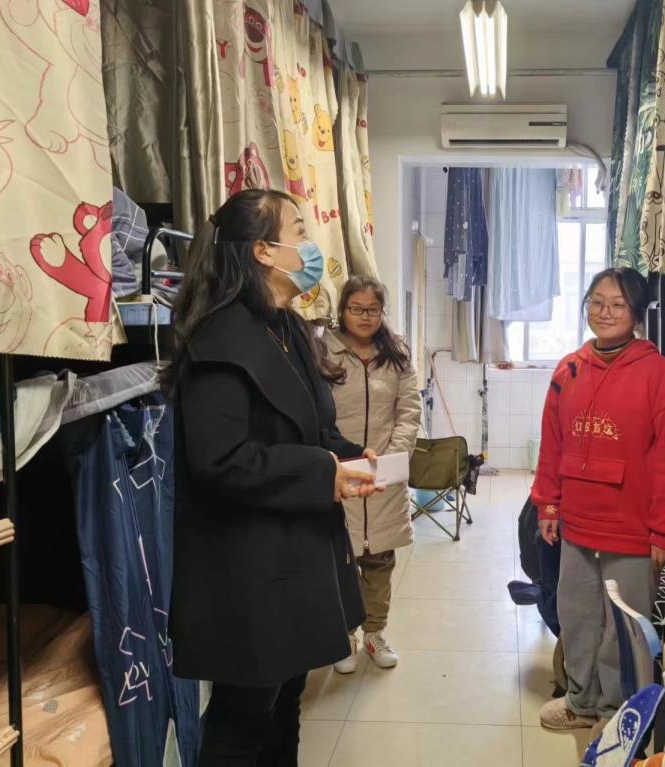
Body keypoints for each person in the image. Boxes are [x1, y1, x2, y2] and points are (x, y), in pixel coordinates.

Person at [163, 189, 380, 765]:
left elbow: (309, 429)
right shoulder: (219, 340)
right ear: (263, 251)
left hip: (295, 556)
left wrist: (351, 458)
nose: (311, 246)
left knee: (286, 704)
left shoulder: (287, 329)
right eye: (299, 232)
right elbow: (221, 460)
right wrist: (321, 471)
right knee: (243, 721)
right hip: (248, 572)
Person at [532, 267, 665, 735]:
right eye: (596, 302)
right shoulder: (569, 369)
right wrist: (548, 504)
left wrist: (664, 529)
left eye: (618, 304)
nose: (605, 312)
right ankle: (580, 701)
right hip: (577, 520)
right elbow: (552, 443)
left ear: (637, 314)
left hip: (633, 526)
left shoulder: (659, 375)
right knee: (577, 615)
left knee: (623, 626)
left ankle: (617, 713)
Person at [325, 275, 422, 673]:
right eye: (357, 309)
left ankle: (375, 633)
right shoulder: (322, 352)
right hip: (341, 472)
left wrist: (391, 458)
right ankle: (344, 636)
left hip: (384, 474)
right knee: (341, 561)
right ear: (343, 310)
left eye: (373, 310)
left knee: (380, 561)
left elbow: (409, 411)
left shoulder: (396, 354)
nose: (365, 317)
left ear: (382, 313)